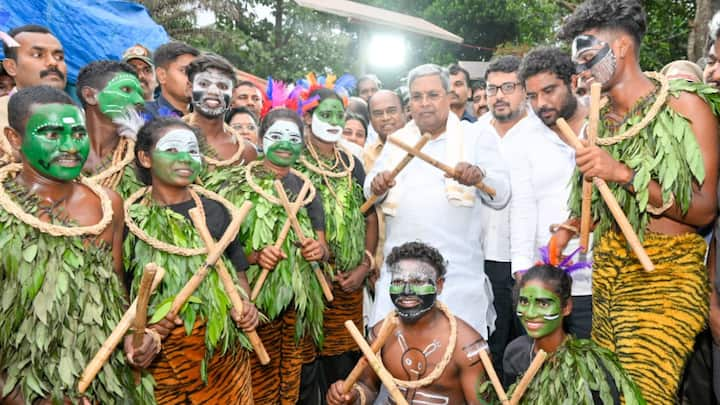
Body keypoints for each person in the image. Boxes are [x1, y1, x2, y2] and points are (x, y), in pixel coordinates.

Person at [556, 1, 719, 402]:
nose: (582, 70)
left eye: (590, 57)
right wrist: (572, 225)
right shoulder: (598, 119)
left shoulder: (684, 105)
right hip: (609, 271)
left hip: (665, 275)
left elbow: (704, 209)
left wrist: (624, 174)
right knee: (611, 393)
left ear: (623, 48)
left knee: (643, 395)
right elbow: (598, 204)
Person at [0, 86, 156, 404]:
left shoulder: (108, 204)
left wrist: (136, 338)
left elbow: (115, 291)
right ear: (15, 139)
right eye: (52, 135)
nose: (70, 147)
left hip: (104, 384)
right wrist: (22, 397)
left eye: (77, 133)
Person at [366, 63, 511, 342]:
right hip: (400, 277)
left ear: (448, 96)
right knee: (394, 360)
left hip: (457, 277)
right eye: (417, 97)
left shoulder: (475, 135)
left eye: (432, 95)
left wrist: (479, 176)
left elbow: (502, 194)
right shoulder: (398, 141)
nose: (424, 104)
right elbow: (370, 189)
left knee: (460, 361)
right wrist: (377, 185)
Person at [124, 117, 259, 403]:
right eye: (172, 150)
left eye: (192, 150)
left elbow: (238, 274)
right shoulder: (129, 218)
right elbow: (122, 289)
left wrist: (247, 306)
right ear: (145, 158)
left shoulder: (218, 211)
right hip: (157, 361)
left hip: (220, 356)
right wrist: (140, 333)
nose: (185, 158)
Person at [204, 107, 329, 405]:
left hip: (297, 312)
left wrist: (317, 251)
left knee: (297, 388)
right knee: (256, 390)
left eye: (293, 138)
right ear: (261, 139)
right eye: (276, 136)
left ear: (303, 143)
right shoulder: (233, 185)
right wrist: (255, 256)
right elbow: (217, 256)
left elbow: (325, 250)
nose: (285, 144)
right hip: (252, 311)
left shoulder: (308, 190)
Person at [327, 241, 488, 405]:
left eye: (418, 282)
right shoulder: (380, 334)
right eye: (398, 282)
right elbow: (368, 387)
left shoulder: (468, 347)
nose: (406, 291)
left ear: (439, 285)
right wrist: (352, 396)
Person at [297, 85, 379, 393]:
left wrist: (364, 266)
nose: (333, 121)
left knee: (344, 373)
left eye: (338, 115)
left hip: (348, 286)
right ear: (307, 118)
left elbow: (370, 216)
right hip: (307, 286)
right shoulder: (291, 160)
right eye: (325, 114)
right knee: (305, 374)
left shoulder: (352, 163)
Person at [488, 258, 645, 404]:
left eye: (543, 304)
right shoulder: (516, 353)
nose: (530, 312)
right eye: (524, 302)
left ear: (567, 307)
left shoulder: (592, 367)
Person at [519, 47, 593, 339]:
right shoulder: (526, 136)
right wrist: (523, 270)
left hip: (602, 282)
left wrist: (569, 230)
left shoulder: (607, 124)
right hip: (547, 280)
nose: (541, 103)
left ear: (573, 83)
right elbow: (523, 205)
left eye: (549, 91)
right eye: (532, 96)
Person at [76, 60, 145, 196]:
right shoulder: (58, 150)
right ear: (90, 96)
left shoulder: (143, 156)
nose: (139, 100)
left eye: (140, 93)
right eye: (126, 90)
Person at [182, 53, 257, 175]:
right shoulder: (168, 137)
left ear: (232, 96)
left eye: (222, 86)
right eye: (204, 84)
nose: (213, 91)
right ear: (189, 89)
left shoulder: (246, 151)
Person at [0, 25, 66, 158]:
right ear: (11, 67)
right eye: (38, 55)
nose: (53, 62)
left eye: (59, 57)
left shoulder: (84, 116)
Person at [144, 41, 199, 119]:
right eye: (184, 70)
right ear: (162, 75)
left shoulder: (205, 116)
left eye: (196, 72)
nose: (193, 77)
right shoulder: (143, 114)